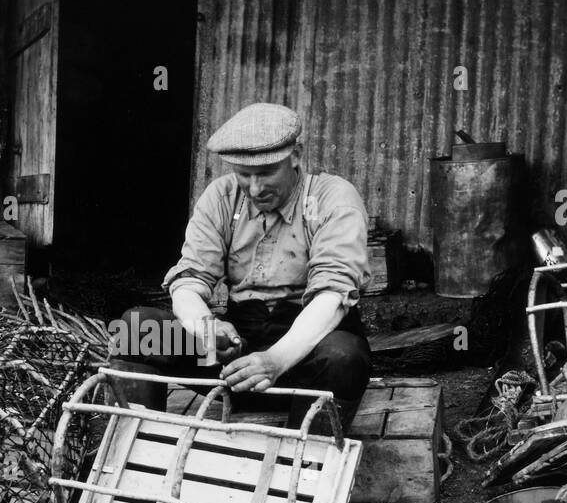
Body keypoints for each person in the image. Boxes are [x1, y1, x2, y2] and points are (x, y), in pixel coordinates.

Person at [111, 102, 372, 431]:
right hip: (236, 357)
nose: (254, 188)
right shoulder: (221, 197)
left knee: (344, 357)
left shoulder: (333, 198)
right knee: (137, 328)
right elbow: (189, 279)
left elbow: (333, 295)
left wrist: (275, 361)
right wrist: (205, 329)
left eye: (265, 173)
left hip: (307, 355)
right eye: (244, 175)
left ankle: (302, 464)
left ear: (296, 155)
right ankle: (137, 450)